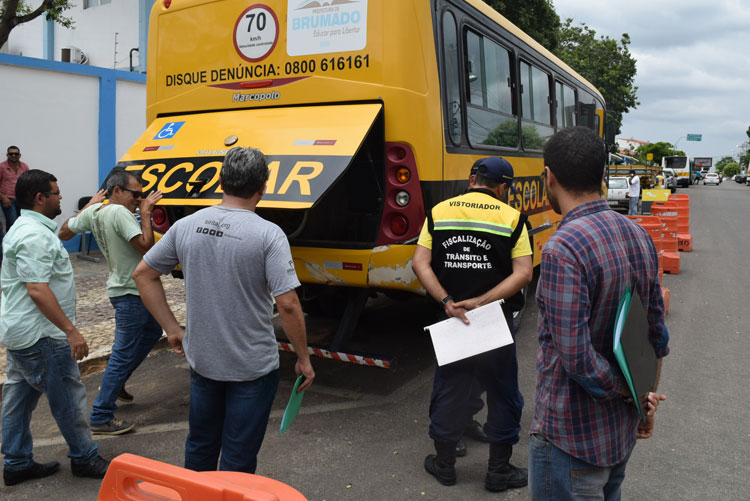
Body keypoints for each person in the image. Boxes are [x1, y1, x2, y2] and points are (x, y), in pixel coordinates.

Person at [132, 146, 315, 473]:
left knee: (200, 447)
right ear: (263, 187)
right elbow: (287, 304)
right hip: (252, 368)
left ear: (221, 181)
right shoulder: (268, 234)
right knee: (238, 458)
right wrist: (303, 358)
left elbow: (143, 274)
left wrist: (173, 330)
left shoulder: (187, 225)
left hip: (203, 362)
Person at [530, 127, 670, 500]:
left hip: (571, 441)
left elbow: (575, 357)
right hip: (619, 434)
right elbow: (655, 334)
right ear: (602, 176)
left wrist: (628, 393)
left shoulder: (562, 248)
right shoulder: (638, 234)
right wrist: (642, 402)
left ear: (550, 177)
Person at [412, 156, 532, 492]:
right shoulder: (514, 219)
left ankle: (445, 465)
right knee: (502, 392)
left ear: (471, 179)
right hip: (493, 322)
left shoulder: (438, 213)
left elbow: (420, 263)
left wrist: (447, 302)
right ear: (503, 187)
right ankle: (498, 471)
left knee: (450, 389)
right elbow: (523, 273)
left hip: (451, 322)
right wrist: (481, 302)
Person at [0, 170, 110, 486]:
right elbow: (37, 288)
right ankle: (84, 457)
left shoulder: (25, 227)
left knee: (17, 399)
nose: (60, 197)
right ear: (40, 198)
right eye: (56, 193)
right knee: (67, 396)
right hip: (42, 335)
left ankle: (18, 462)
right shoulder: (34, 236)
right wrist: (71, 331)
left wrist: (87, 207)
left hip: (22, 332)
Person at [59, 171, 163, 435]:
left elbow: (64, 232)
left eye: (142, 196)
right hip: (130, 291)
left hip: (124, 289)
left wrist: (87, 207)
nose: (139, 200)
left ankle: (117, 385)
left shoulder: (96, 211)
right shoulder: (118, 213)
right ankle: (101, 415)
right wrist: (147, 213)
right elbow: (146, 246)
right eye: (135, 194)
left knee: (151, 332)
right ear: (117, 191)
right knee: (122, 352)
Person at [0, 146, 30, 231]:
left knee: (22, 223)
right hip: (8, 200)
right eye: (11, 154)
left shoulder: (24, 166)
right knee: (12, 224)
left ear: (19, 155)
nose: (13, 155)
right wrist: (3, 198)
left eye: (16, 154)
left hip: (22, 200)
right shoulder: (1, 167)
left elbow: (28, 182)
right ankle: (10, 243)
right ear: (7, 155)